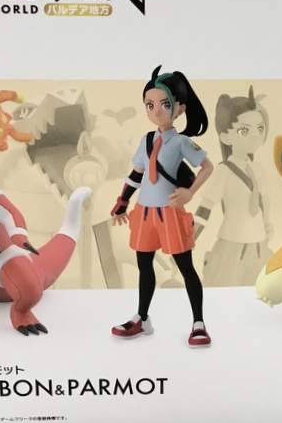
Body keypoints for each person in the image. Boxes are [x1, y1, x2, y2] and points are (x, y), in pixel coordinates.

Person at [109, 66, 214, 347]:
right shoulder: (147, 140)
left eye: (164, 104)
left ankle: (199, 322)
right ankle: (142, 318)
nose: (156, 111)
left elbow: (207, 167)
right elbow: (136, 174)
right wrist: (122, 201)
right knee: (144, 265)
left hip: (169, 212)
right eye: (150, 105)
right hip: (144, 212)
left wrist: (190, 192)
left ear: (180, 108)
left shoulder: (181, 142)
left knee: (185, 267)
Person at [194, 87, 272, 286]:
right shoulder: (224, 171)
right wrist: (190, 237)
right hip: (232, 244)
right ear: (225, 137)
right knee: (225, 287)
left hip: (259, 244)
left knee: (258, 290)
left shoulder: (259, 169)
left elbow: (264, 201)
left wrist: (267, 224)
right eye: (244, 130)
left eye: (260, 128)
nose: (255, 136)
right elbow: (205, 207)